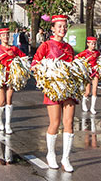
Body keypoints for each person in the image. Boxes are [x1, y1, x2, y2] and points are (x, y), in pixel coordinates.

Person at [31, 15, 80, 171]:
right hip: (53, 89)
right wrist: (46, 70)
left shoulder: (69, 48)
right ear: (53, 28)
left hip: (68, 89)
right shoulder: (46, 45)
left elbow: (73, 67)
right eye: (59, 26)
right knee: (55, 123)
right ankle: (51, 154)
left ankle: (66, 158)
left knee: (69, 123)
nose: (62, 29)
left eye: (65, 26)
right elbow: (34, 64)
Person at [76, 36, 101, 115]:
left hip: (95, 72)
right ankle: (84, 103)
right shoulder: (85, 52)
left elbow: (100, 59)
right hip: (87, 73)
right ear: (88, 44)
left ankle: (92, 107)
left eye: (94, 44)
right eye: (92, 44)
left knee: (95, 90)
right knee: (87, 91)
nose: (93, 45)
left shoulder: (97, 52)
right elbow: (76, 58)